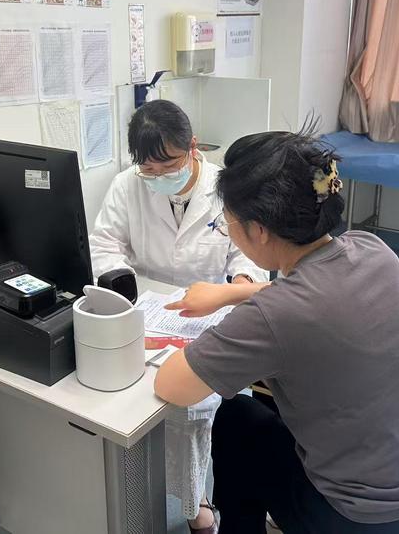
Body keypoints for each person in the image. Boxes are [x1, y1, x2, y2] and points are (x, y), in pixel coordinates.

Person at [154, 128, 399, 534]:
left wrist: (232, 315)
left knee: (236, 420)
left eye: (227, 222)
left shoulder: (272, 317)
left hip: (372, 520)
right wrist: (229, 294)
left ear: (258, 231)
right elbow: (313, 297)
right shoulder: (371, 248)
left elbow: (172, 386)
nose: (228, 229)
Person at [90, 99, 267, 533]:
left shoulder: (224, 190)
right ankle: (134, 486)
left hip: (211, 311)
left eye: (168, 164)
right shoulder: (126, 185)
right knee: (132, 396)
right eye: (148, 168)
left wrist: (235, 288)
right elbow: (104, 246)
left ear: (192, 146)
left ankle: (194, 500)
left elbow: (248, 257)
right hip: (144, 310)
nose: (158, 175)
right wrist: (125, 291)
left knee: (190, 407)